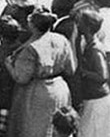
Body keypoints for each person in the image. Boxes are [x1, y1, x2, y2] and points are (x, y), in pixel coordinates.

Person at [5, 7, 76, 137]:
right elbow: (71, 69)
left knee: (34, 129)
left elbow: (21, 78)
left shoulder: (31, 48)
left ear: (31, 25)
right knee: (57, 128)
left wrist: (9, 65)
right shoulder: (61, 39)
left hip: (37, 92)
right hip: (59, 89)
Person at [76, 9, 110, 137]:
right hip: (92, 98)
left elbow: (102, 76)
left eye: (80, 22)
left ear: (88, 26)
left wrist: (83, 72)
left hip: (97, 100)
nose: (77, 25)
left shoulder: (95, 49)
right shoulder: (87, 43)